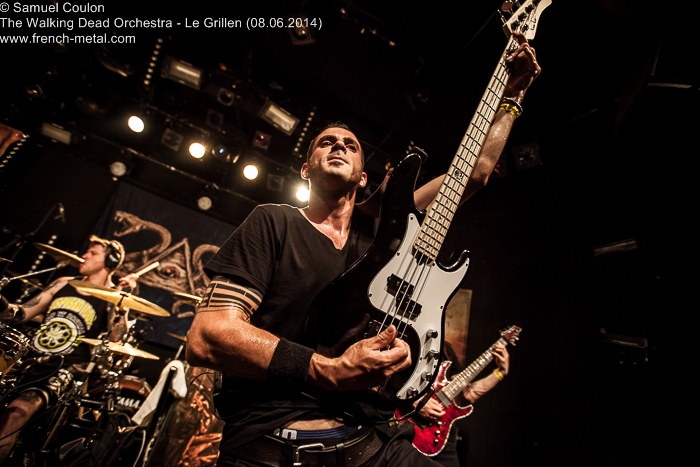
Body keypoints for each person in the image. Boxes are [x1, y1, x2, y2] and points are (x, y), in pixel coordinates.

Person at [186, 33, 540, 467]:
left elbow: (476, 172)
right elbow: (208, 336)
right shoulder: (273, 221)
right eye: (326, 142)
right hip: (272, 441)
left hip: (373, 440)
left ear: (363, 177)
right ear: (305, 169)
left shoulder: (386, 235)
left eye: (351, 145)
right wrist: (327, 369)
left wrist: (513, 95)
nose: (339, 145)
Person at [0, 235, 139, 463]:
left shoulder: (113, 297)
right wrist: (3, 304)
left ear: (111, 262)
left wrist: (124, 301)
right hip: (30, 359)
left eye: (93, 253)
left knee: (17, 411)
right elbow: (21, 313)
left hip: (66, 369)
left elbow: (117, 338)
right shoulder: (64, 283)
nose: (84, 256)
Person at [410, 343, 510, 467]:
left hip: (440, 434)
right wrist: (416, 401)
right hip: (408, 424)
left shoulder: (446, 349)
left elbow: (469, 392)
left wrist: (500, 372)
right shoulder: (411, 338)